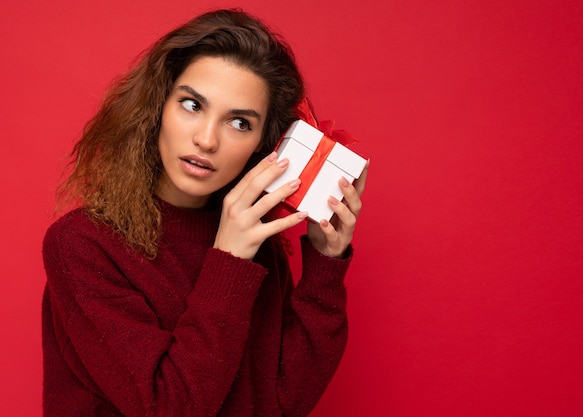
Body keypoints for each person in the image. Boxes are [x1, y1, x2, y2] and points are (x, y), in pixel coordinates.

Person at [41, 8, 368, 417]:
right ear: (159, 106)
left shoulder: (254, 240)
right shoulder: (81, 246)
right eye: (192, 104)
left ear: (263, 146)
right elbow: (169, 407)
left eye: (239, 123)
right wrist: (228, 262)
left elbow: (280, 403)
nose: (206, 139)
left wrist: (325, 265)